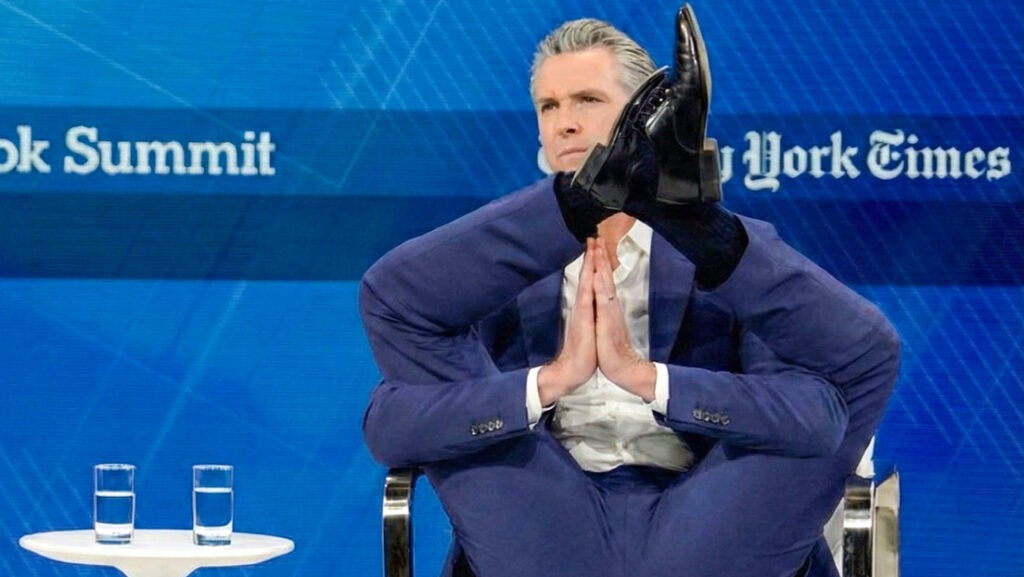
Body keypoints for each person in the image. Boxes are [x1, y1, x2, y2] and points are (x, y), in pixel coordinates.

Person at [359, 5, 900, 577]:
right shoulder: (492, 269)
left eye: (588, 100)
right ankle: (614, 198)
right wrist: (549, 382)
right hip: (540, 522)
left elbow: (811, 414)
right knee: (391, 300)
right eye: (549, 106)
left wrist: (650, 380)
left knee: (864, 359)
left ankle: (673, 213)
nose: (565, 122)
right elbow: (390, 424)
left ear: (645, 117)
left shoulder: (736, 267)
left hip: (707, 521)